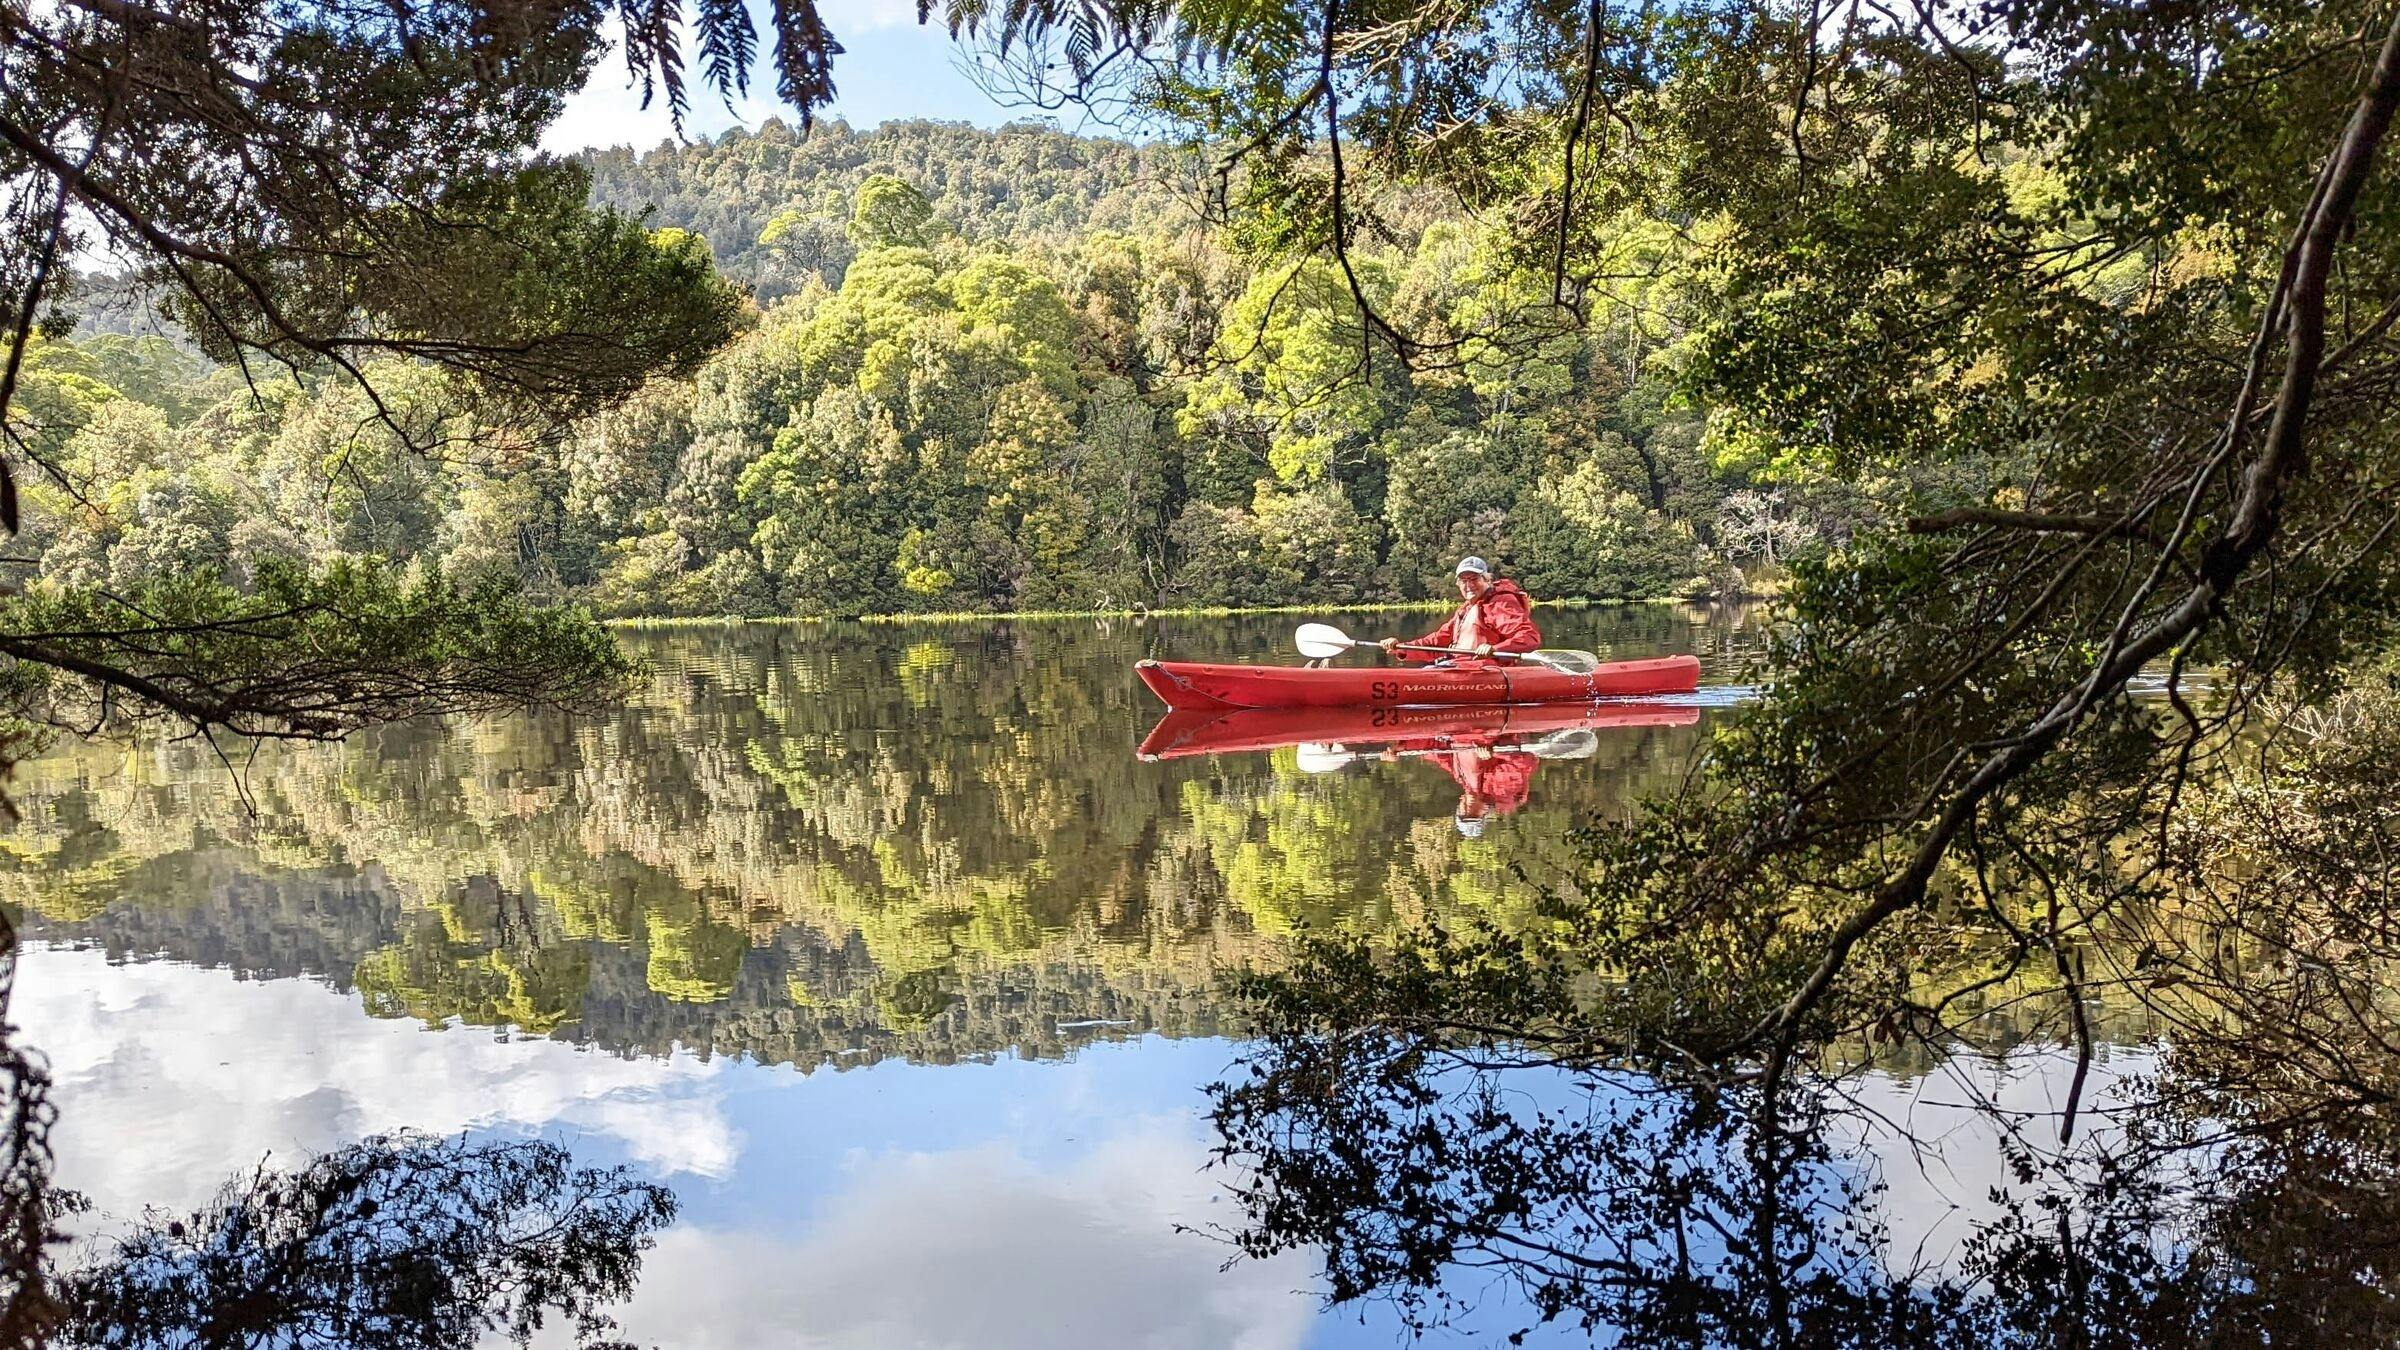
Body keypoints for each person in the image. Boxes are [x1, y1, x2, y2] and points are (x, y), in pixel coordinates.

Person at [1380, 556, 1541, 670]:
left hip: (1485, 670)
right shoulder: (1466, 608)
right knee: (1432, 668)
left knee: (1434, 670)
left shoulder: (1500, 603)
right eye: (1464, 581)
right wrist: (1401, 648)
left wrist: (1495, 649)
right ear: (1458, 584)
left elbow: (1529, 637)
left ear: (1487, 580)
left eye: (1474, 579)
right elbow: (1437, 642)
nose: (1468, 585)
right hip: (1459, 667)